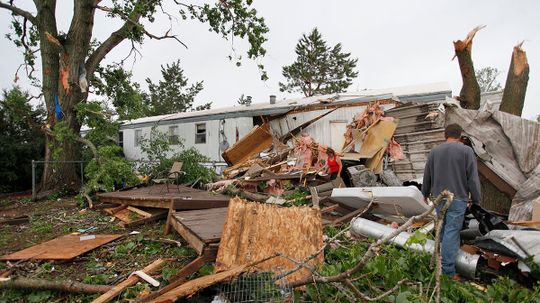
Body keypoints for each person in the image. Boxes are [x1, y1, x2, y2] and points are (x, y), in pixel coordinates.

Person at [422, 123, 481, 280]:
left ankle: (439, 263)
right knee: (451, 232)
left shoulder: (435, 152)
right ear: (460, 136)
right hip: (458, 198)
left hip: (439, 198)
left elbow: (427, 174)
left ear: (445, 135)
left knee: (442, 230)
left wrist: (425, 193)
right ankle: (448, 272)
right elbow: (473, 178)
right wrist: (476, 199)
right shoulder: (466, 151)